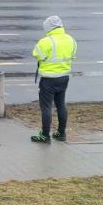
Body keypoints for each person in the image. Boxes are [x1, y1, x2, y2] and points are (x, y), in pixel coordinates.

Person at [31, 15, 76, 144]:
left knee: (46, 107)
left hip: (48, 79)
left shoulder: (45, 41)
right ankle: (61, 133)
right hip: (64, 77)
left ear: (47, 28)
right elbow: (72, 56)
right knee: (61, 104)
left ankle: (45, 135)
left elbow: (37, 55)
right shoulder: (71, 40)